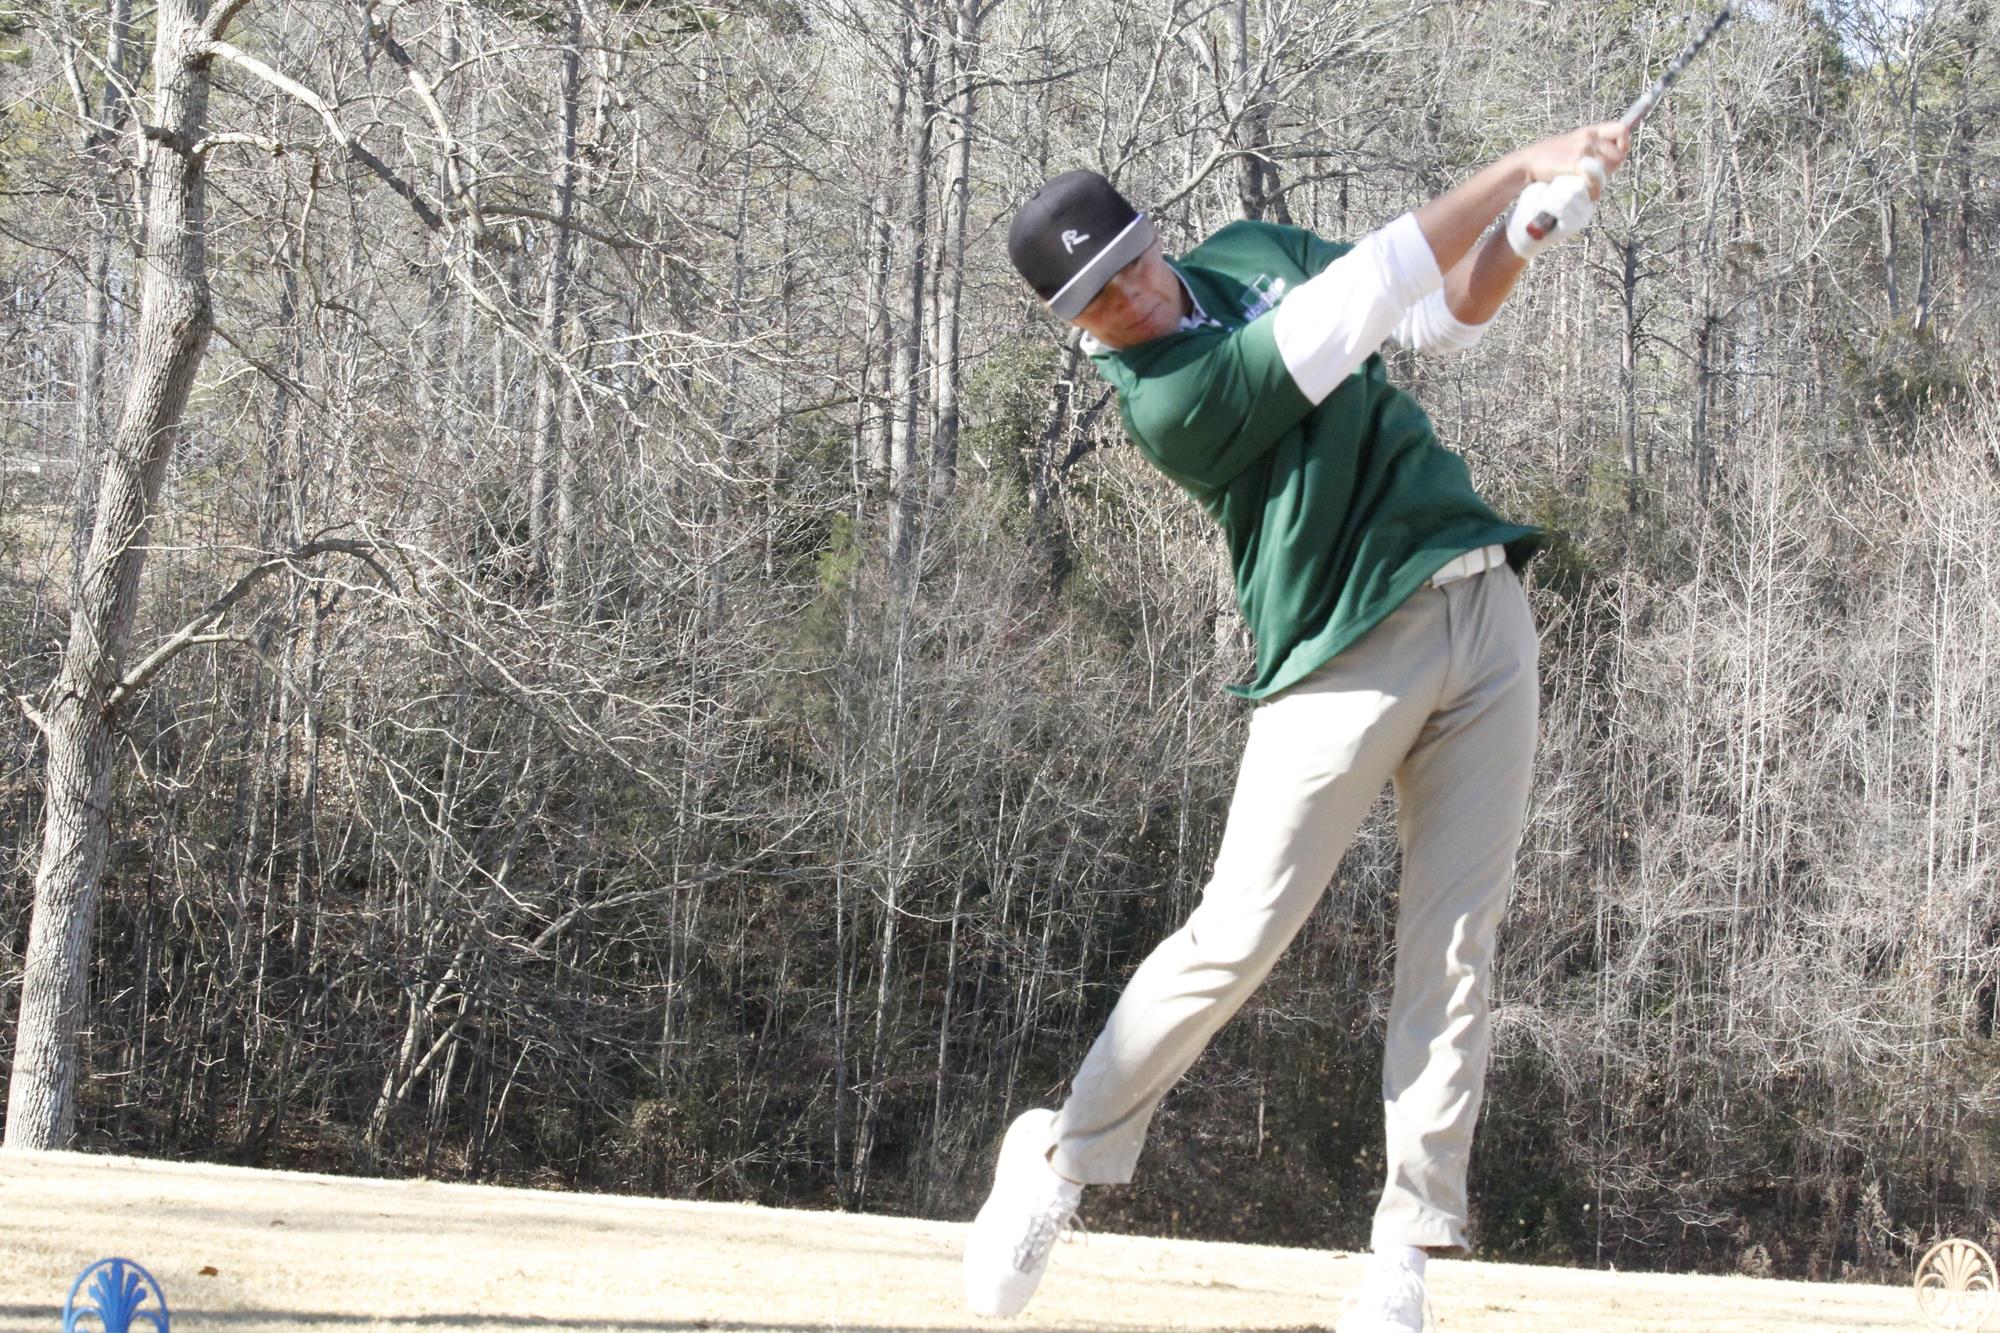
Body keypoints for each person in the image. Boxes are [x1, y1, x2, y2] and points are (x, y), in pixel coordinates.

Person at [961, 121, 1631, 1333]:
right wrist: (1515, 167)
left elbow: (1438, 313)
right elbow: (1359, 297)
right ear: (1073, 325)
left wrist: (1523, 233)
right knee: (1235, 937)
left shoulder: (1247, 251)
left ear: (1152, 235)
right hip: (1337, 654)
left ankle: (1401, 1261)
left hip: (1482, 608)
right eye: (1098, 298)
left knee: (1454, 949)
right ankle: (1058, 1161)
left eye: (1130, 262)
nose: (1132, 296)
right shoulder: (1167, 399)